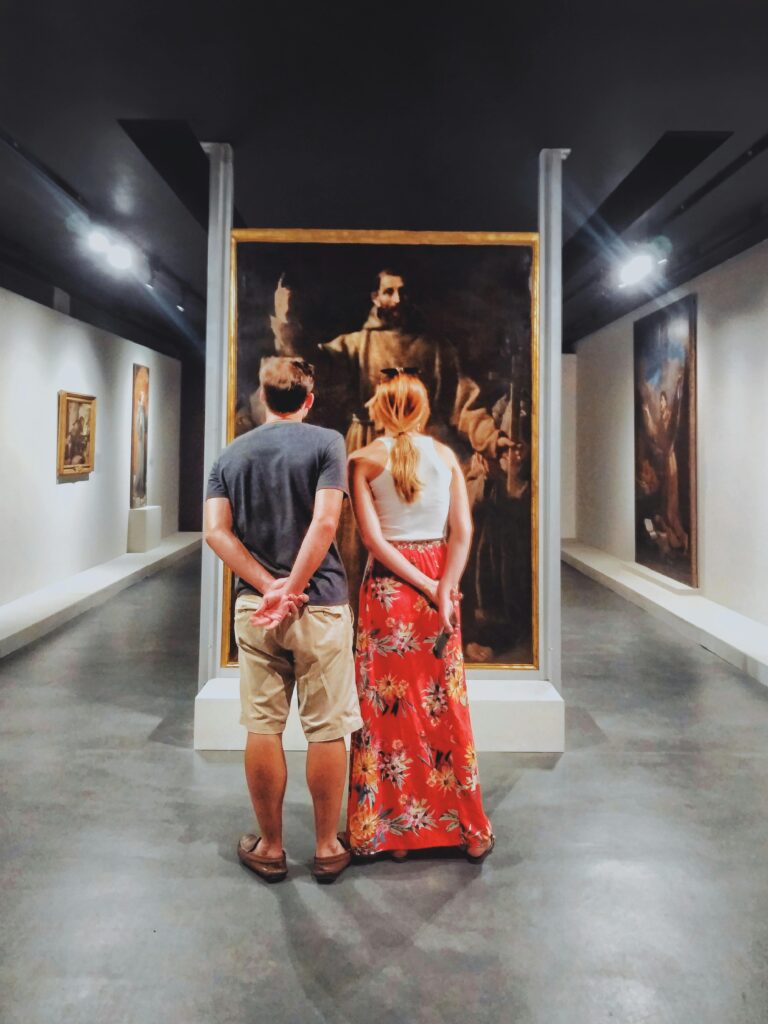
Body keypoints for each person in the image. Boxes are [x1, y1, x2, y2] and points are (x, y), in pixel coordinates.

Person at [204, 356, 363, 884]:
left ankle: (270, 846)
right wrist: (291, 588)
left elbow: (216, 534)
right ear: (309, 400)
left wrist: (268, 586)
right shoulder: (327, 443)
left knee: (263, 725)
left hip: (258, 609)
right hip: (318, 604)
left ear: (263, 398)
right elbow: (325, 523)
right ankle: (324, 845)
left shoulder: (228, 455)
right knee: (326, 728)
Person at [345, 368, 494, 862]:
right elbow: (463, 532)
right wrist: (443, 585)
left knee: (385, 712)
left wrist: (427, 585)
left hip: (390, 590)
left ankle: (393, 833)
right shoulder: (447, 456)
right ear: (424, 409)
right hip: (436, 583)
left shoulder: (362, 462)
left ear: (381, 408)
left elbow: (374, 542)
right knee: (442, 704)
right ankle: (465, 829)